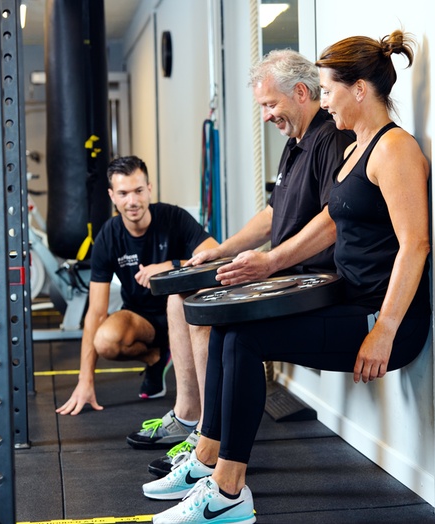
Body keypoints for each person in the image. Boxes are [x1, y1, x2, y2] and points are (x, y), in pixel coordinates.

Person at [145, 30, 432, 524]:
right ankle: (214, 467)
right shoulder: (356, 149)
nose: (323, 99)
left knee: (242, 342)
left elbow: (416, 244)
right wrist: (269, 259)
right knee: (231, 330)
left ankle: (228, 492)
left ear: (358, 89)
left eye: (328, 89)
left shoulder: (395, 150)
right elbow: (330, 221)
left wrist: (384, 330)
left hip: (383, 319)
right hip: (351, 300)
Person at [134, 49, 356, 474]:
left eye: (271, 105)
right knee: (179, 298)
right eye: (263, 107)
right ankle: (190, 417)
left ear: (303, 92)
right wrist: (225, 248)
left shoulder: (331, 138)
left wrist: (270, 261)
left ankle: (208, 437)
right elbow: (274, 215)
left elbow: (332, 220)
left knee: (206, 309)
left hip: (313, 277)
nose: (267, 116)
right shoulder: (295, 143)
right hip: (287, 268)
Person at [55, 156, 218, 416]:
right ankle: (156, 357)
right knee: (106, 340)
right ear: (112, 196)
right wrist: (85, 381)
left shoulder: (174, 217)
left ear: (149, 189)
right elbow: (96, 312)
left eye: (138, 191)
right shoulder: (108, 236)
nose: (132, 201)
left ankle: (204, 414)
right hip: (143, 320)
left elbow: (216, 255)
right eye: (123, 193)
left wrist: (171, 265)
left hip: (182, 314)